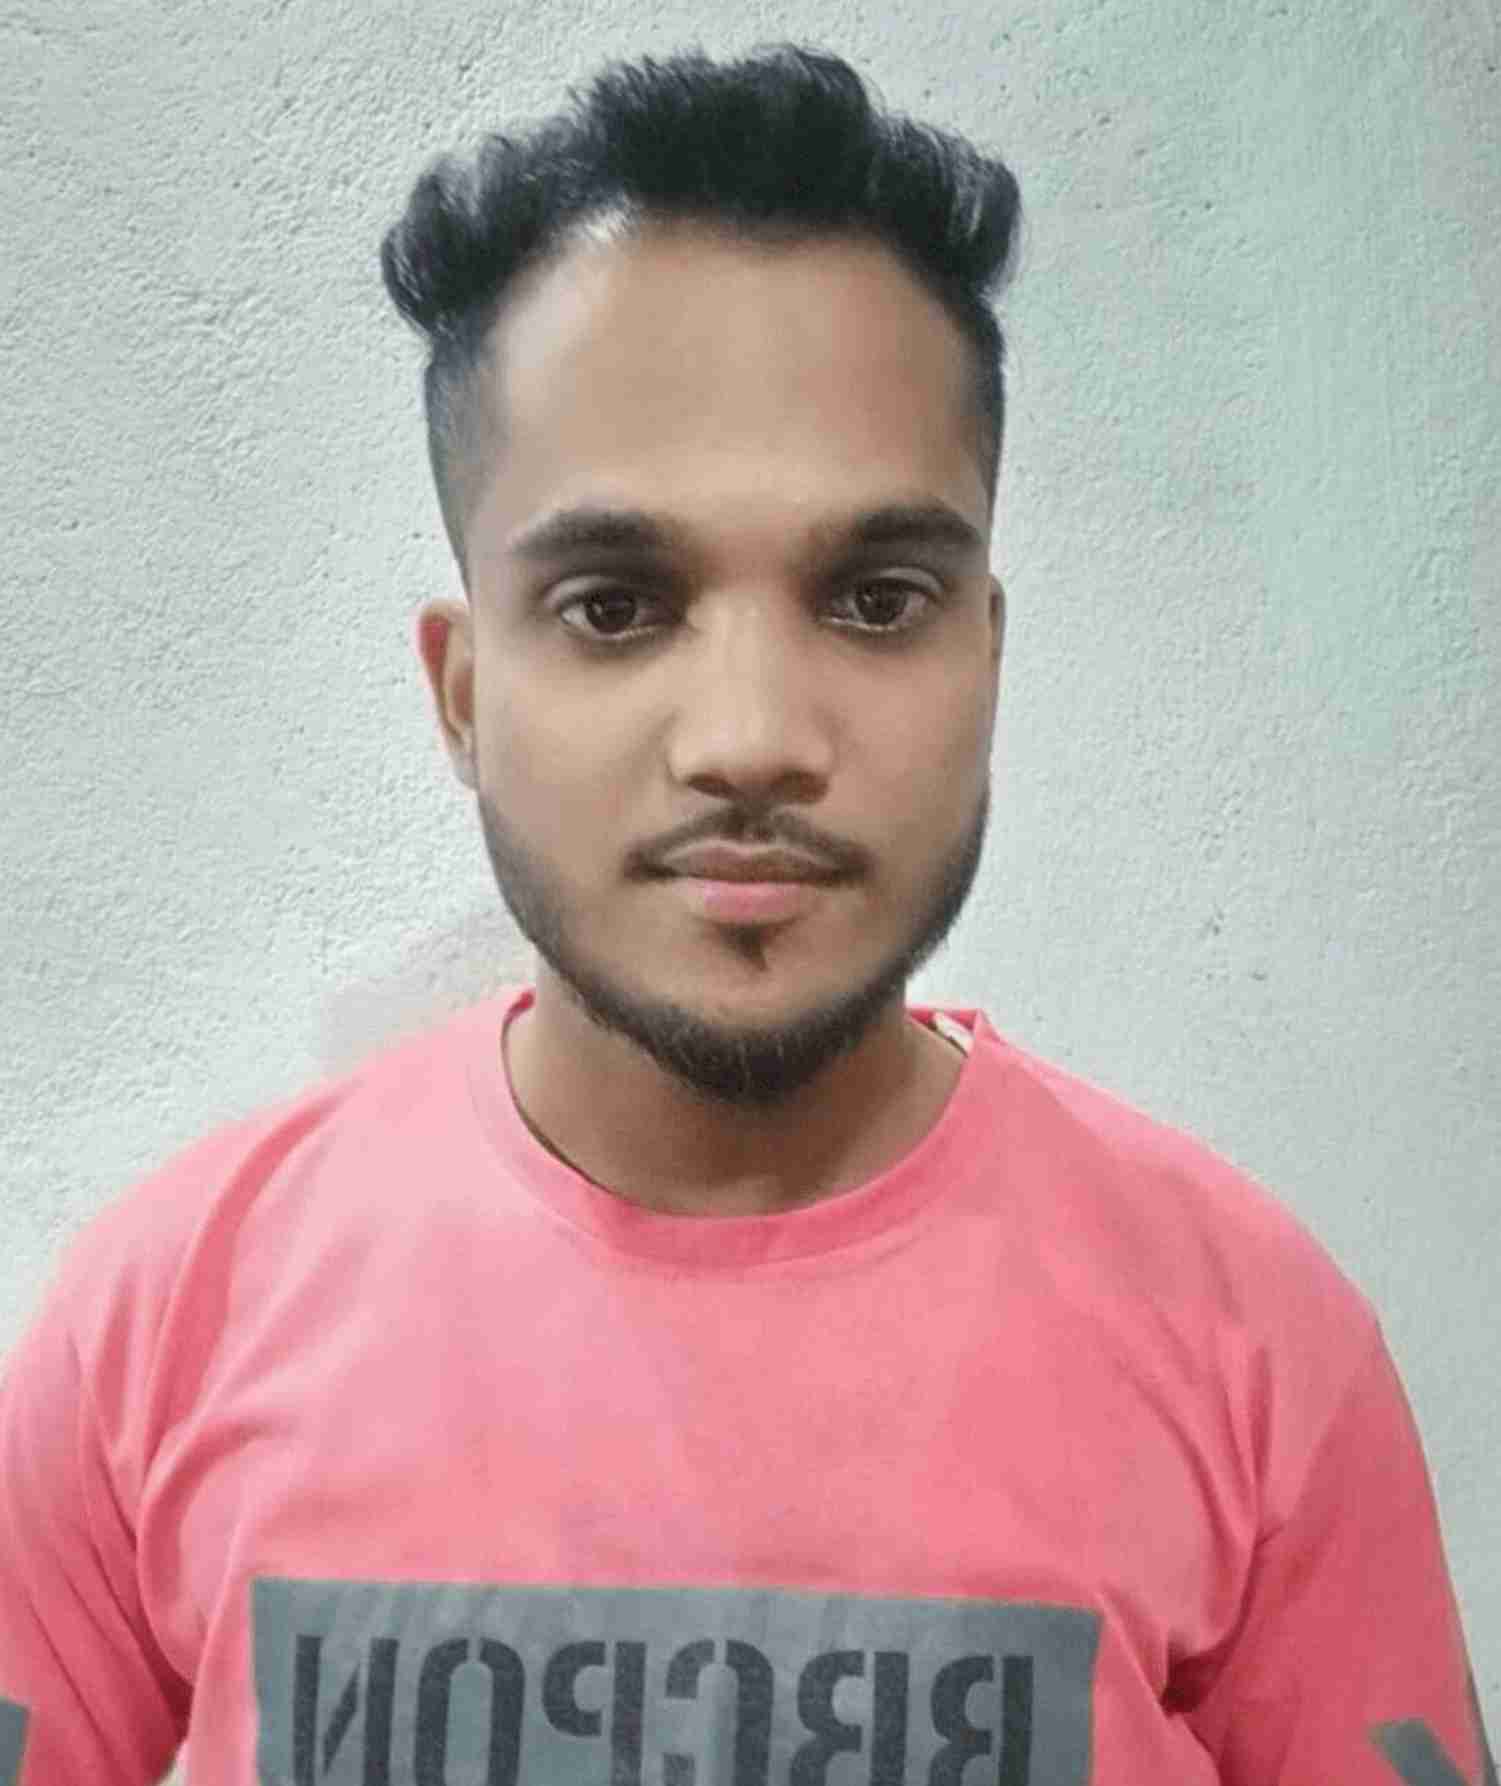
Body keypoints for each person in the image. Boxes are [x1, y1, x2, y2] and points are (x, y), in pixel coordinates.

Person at [0, 41, 1490, 1786]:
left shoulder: (1255, 1347)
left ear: (986, 653)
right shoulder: (160, 1326)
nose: (752, 738)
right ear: (463, 691)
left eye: (875, 598)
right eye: (615, 606)